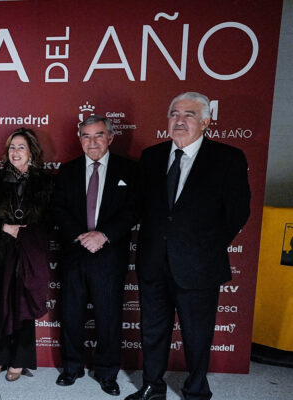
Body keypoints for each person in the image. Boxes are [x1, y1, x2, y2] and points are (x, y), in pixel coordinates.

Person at [128, 92, 251, 400]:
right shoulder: (152, 157)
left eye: (189, 115)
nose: (180, 120)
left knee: (197, 334)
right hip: (154, 261)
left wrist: (204, 248)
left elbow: (238, 212)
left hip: (199, 265)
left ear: (206, 122)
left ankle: (196, 391)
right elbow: (140, 207)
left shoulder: (228, 158)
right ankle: (152, 387)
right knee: (153, 331)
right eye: (174, 114)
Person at [52, 115, 138, 396]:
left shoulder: (129, 170)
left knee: (109, 317)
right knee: (71, 314)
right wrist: (81, 235)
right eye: (86, 136)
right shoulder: (67, 171)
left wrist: (102, 235)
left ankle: (107, 372)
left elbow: (133, 210)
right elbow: (58, 209)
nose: (92, 142)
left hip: (109, 255)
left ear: (110, 137)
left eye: (98, 135)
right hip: (74, 254)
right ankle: (72, 367)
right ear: (80, 139)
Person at [0, 127, 53, 381]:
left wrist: (25, 234)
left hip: (30, 253)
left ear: (31, 152)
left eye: (21, 147)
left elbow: (51, 221)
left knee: (23, 306)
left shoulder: (45, 181)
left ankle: (20, 361)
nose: (15, 152)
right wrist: (5, 227)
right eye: (12, 147)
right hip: (0, 250)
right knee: (0, 304)